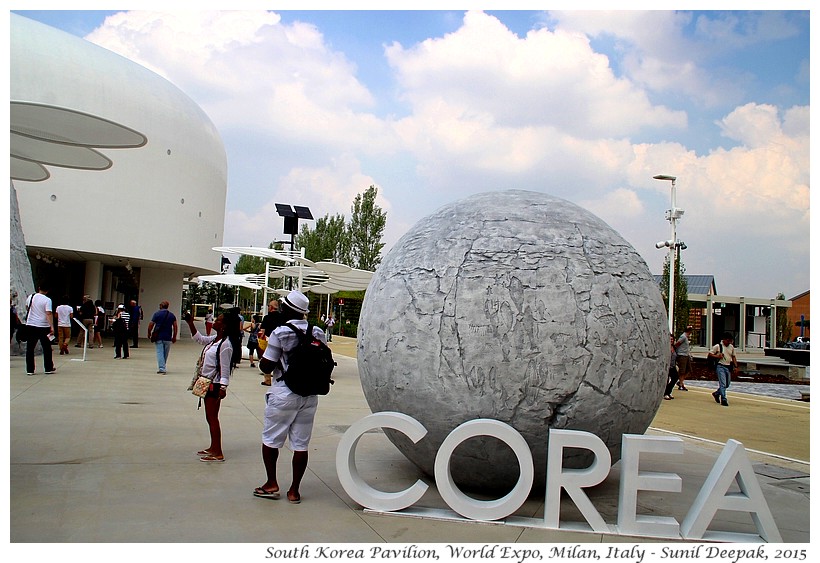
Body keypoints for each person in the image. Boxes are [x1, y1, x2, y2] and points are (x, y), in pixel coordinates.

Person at [254, 290, 326, 503]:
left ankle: (271, 483)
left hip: (284, 393)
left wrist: (264, 349)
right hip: (310, 395)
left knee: (271, 439)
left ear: (286, 309)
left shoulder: (280, 332)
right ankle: (294, 491)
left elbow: (266, 365)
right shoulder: (318, 332)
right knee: (301, 444)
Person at [182, 308, 241, 462]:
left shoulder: (225, 345)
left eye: (218, 320)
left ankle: (218, 452)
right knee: (210, 417)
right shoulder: (216, 340)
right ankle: (213, 447)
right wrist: (190, 323)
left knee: (213, 417)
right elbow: (200, 339)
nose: (214, 321)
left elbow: (225, 368)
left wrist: (223, 387)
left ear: (224, 326)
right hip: (207, 382)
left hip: (214, 385)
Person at [25, 282, 56, 375]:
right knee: (46, 348)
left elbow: (27, 307)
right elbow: (48, 313)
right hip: (43, 326)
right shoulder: (47, 300)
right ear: (47, 291)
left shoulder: (31, 296)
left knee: (30, 348)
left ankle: (30, 369)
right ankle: (48, 368)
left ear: (39, 288)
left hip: (31, 324)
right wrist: (52, 326)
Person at [147, 301, 178, 375]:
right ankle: (163, 366)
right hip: (168, 337)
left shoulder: (157, 314)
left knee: (160, 352)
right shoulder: (171, 315)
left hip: (159, 336)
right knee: (165, 353)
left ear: (161, 306)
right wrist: (174, 336)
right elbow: (175, 326)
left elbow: (151, 325)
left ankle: (162, 368)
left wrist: (149, 333)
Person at [708, 332, 737, 407]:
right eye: (727, 340)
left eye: (730, 341)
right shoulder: (718, 346)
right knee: (723, 383)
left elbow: (733, 356)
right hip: (720, 366)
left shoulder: (731, 347)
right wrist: (717, 356)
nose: (729, 342)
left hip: (728, 366)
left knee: (727, 384)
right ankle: (723, 398)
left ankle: (717, 393)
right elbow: (710, 354)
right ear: (723, 340)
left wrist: (735, 366)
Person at [674, 326, 694, 391]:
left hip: (686, 355)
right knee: (682, 370)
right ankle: (681, 384)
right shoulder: (683, 337)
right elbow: (677, 343)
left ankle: (680, 381)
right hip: (682, 355)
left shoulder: (686, 337)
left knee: (688, 370)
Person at [663, 333, 679, 400]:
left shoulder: (674, 347)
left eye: (672, 339)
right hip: (666, 366)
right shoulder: (665, 347)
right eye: (670, 339)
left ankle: (668, 391)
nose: (671, 340)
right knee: (666, 380)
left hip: (672, 366)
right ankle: (665, 393)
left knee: (675, 378)